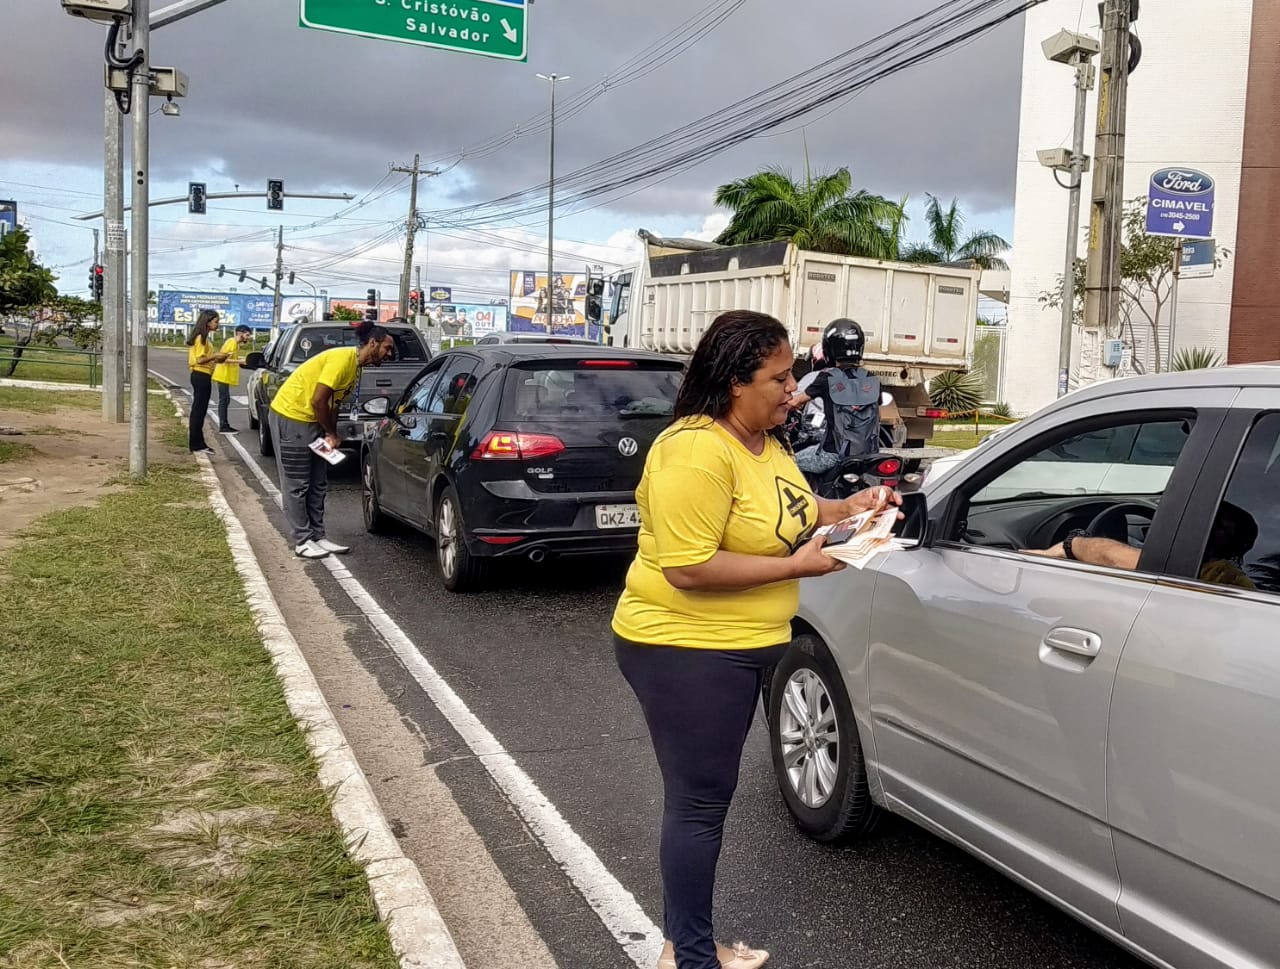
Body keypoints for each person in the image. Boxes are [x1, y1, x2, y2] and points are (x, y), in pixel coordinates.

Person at [611, 310, 902, 969]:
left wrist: (849, 511)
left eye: (794, 372)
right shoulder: (695, 450)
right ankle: (690, 956)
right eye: (780, 376)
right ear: (736, 382)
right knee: (699, 803)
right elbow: (689, 568)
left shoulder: (763, 442)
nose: (795, 388)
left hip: (739, 643)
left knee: (705, 799)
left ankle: (686, 941)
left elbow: (789, 511)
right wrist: (798, 566)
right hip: (685, 647)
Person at [268, 320, 396, 559]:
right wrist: (331, 433)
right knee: (297, 484)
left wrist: (331, 433)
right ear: (372, 343)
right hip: (292, 415)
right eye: (387, 348)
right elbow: (318, 400)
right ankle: (302, 540)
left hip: (314, 421)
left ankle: (318, 536)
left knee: (318, 483)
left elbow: (333, 405)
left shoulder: (355, 368)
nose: (390, 354)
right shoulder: (341, 360)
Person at [1026, 500, 1258, 590]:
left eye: (1220, 526)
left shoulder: (1222, 575)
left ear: (1238, 544)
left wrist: (1071, 545)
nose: (1208, 528)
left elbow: (1119, 559)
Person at [789, 318, 881, 475]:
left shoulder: (826, 378)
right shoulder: (872, 379)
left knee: (788, 464)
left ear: (829, 348)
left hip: (833, 455)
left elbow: (795, 402)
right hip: (868, 456)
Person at [185, 309, 228, 454]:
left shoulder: (203, 338)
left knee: (200, 410)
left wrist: (218, 358)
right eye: (216, 321)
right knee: (198, 411)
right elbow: (200, 359)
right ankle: (196, 444)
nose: (218, 324)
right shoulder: (201, 338)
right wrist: (215, 356)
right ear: (207, 322)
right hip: (200, 375)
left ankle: (198, 442)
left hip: (203, 375)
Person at [213, 324, 253, 433]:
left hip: (225, 375)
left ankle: (224, 424)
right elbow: (223, 359)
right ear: (240, 333)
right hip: (223, 374)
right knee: (224, 400)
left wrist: (239, 360)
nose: (248, 337)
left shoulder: (234, 343)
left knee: (225, 400)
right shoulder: (232, 343)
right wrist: (240, 361)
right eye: (247, 335)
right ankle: (223, 425)